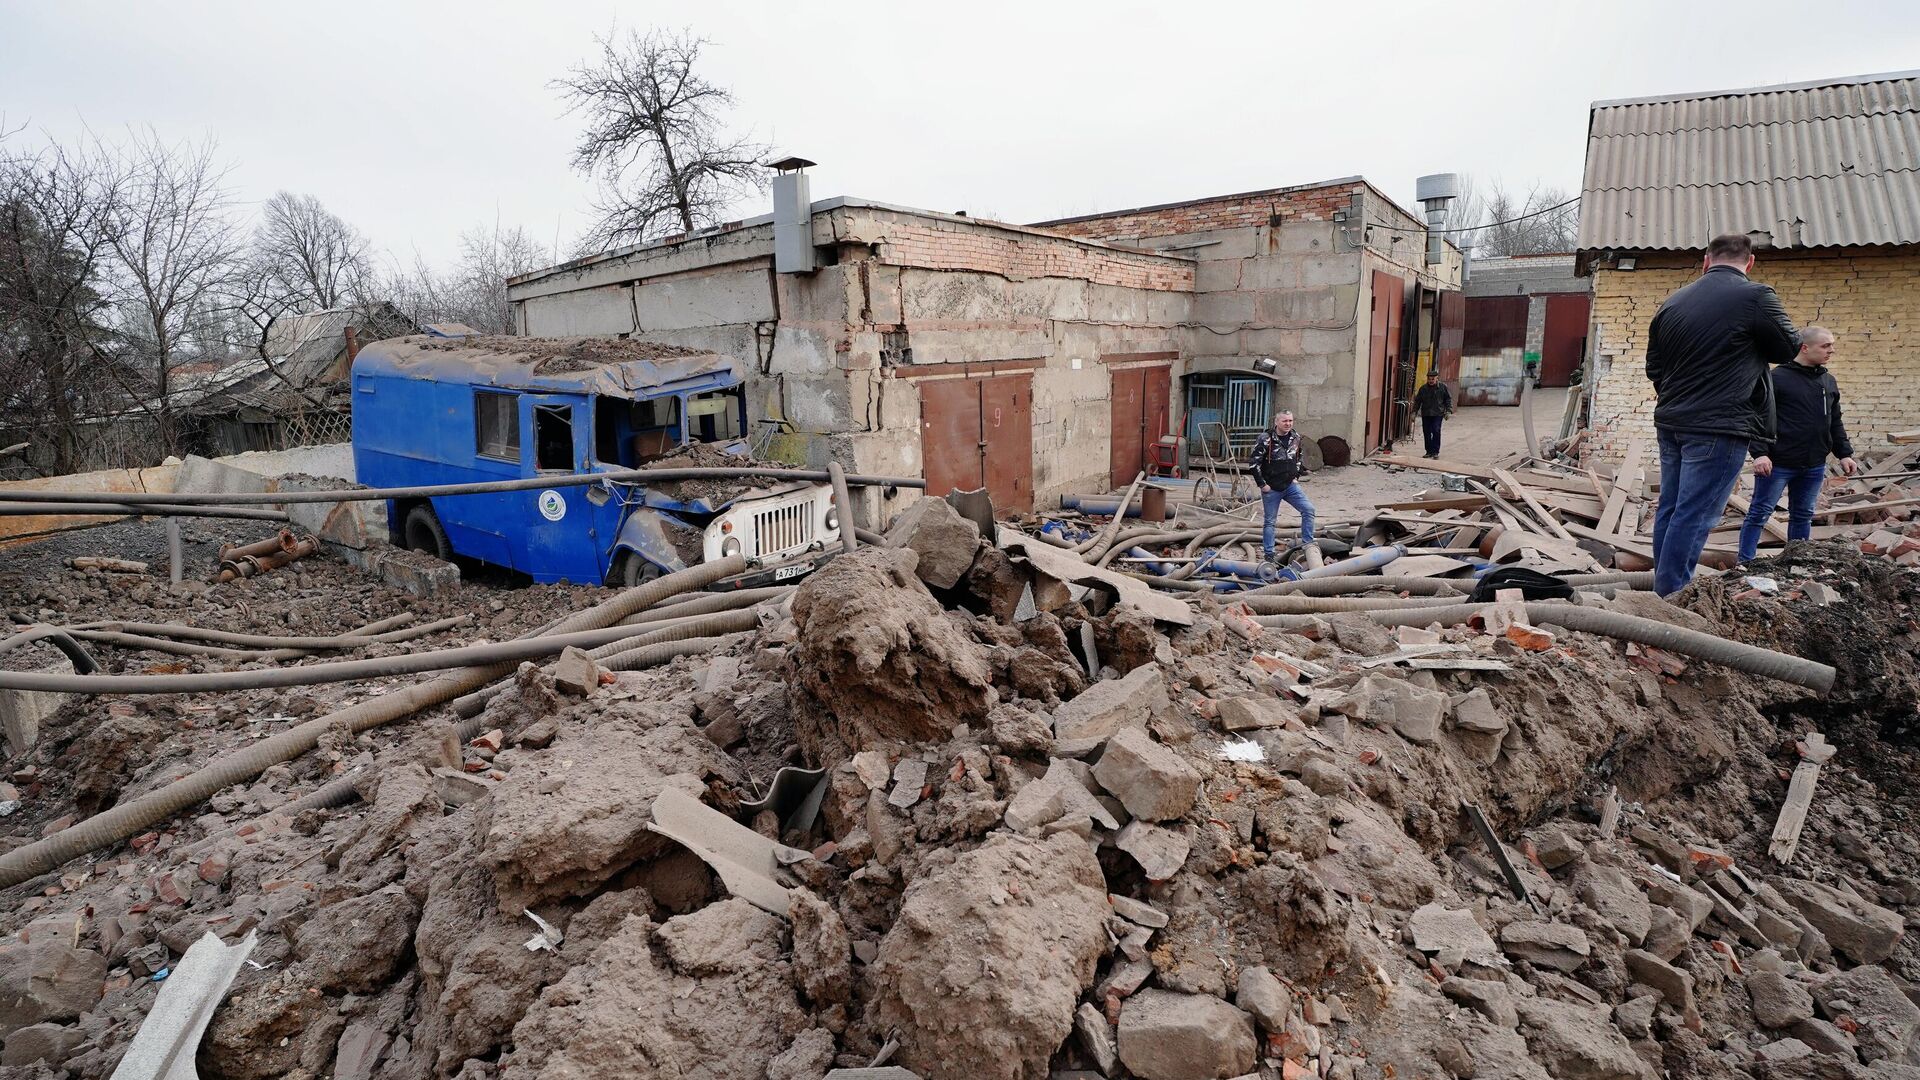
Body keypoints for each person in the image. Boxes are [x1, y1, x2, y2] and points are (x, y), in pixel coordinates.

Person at [1645, 233, 1802, 596]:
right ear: (1749, 263)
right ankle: (1672, 596)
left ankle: (1664, 588)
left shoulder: (1673, 302)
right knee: (1695, 514)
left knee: (1671, 508)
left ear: (1705, 261)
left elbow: (1654, 367)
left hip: (1671, 421)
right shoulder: (1756, 296)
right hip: (1719, 427)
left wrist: (1679, 398)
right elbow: (1788, 347)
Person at [1737, 327, 1858, 562]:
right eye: (1825, 346)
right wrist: (1760, 453)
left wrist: (1844, 453)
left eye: (1832, 345)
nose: (1831, 350)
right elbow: (1755, 418)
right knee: (1760, 514)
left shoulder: (1827, 380)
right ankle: (1744, 563)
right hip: (1777, 464)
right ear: (1805, 347)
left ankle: (1796, 563)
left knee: (1803, 515)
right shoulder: (1776, 379)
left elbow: (1835, 421)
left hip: (1813, 465)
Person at [1250, 410, 1315, 562]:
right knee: (1270, 522)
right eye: (1285, 421)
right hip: (1271, 488)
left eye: (1290, 421)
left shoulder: (1296, 437)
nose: (1288, 424)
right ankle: (1269, 554)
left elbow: (1299, 457)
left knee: (1309, 510)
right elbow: (1254, 463)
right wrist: (1262, 484)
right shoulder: (1265, 439)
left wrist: (1296, 476)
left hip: (1290, 486)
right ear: (1276, 422)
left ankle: (1308, 544)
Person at [1412, 370, 1453, 459]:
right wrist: (1414, 412)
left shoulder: (1442, 387)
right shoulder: (1423, 389)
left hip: (1438, 413)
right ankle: (1428, 451)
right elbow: (1418, 401)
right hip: (1426, 413)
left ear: (1437, 378)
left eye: (1433, 379)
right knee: (1426, 432)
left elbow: (1448, 399)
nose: (1431, 381)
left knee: (1436, 430)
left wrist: (1448, 411)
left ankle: (1435, 452)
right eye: (1429, 379)